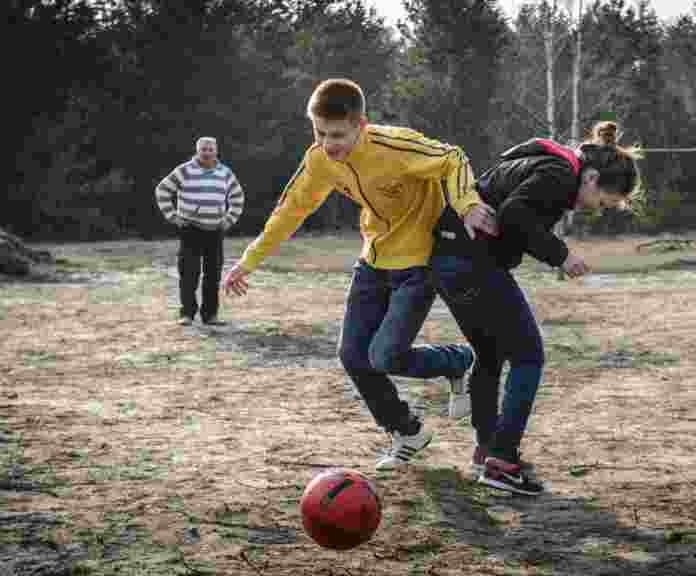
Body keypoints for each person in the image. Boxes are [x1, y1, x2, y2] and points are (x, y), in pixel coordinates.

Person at [221, 78, 498, 470]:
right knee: (352, 355)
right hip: (372, 264)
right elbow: (290, 210)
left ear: (361, 125)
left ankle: (456, 360)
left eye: (337, 134)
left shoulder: (394, 146)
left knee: (384, 355)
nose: (328, 143)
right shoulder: (319, 159)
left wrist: (467, 203)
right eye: (319, 132)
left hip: (417, 266)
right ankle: (406, 431)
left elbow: (452, 157)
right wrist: (248, 261)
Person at [429, 120, 642, 495]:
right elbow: (514, 216)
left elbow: (508, 210)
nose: (597, 208)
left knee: (490, 355)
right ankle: (502, 461)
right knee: (529, 355)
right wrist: (561, 255)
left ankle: (486, 453)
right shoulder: (560, 176)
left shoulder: (548, 163)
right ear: (591, 178)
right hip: (473, 263)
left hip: (447, 260)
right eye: (603, 201)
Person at [156, 137, 244, 326]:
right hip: (190, 229)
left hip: (215, 231)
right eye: (203, 149)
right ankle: (187, 314)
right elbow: (162, 190)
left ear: (216, 151)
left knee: (213, 274)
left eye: (210, 149)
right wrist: (173, 216)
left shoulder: (225, 172)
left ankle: (210, 316)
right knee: (189, 273)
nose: (207, 152)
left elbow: (237, 197)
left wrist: (228, 220)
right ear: (197, 151)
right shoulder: (184, 170)